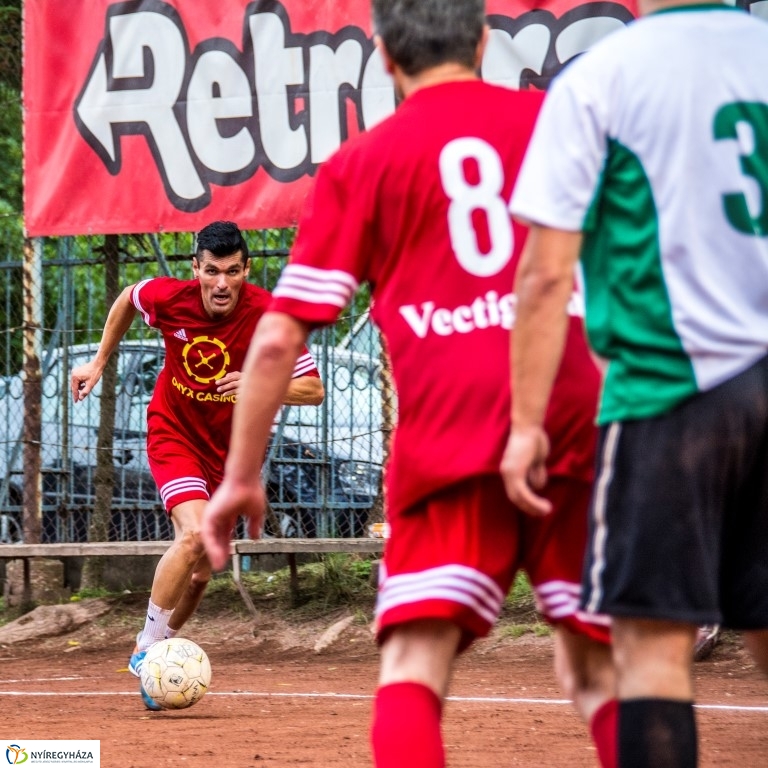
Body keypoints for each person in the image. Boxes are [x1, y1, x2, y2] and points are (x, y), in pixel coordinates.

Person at [201, 3, 617, 766]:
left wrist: (239, 477)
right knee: (600, 670)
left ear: (385, 57)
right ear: (484, 42)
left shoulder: (364, 164)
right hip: (571, 411)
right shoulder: (554, 123)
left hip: (450, 430)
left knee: (414, 664)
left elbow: (278, 342)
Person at [502, 2, 768, 765]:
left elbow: (545, 273)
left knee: (652, 651)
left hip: (669, 393)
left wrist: (527, 424)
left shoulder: (605, 77)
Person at [70, 220, 324, 710]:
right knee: (192, 536)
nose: (222, 283)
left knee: (201, 574)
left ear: (247, 270)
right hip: (175, 434)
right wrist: (99, 361)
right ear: (196, 269)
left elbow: (313, 390)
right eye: (212, 271)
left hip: (231, 456)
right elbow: (128, 297)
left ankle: (160, 664)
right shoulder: (170, 298)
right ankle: (146, 651)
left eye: (232, 271)